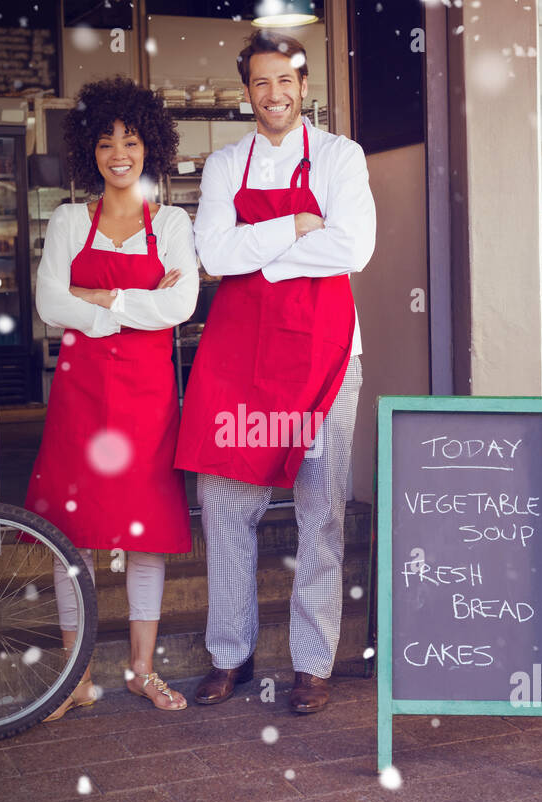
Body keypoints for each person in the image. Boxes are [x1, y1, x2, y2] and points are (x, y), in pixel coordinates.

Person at [175, 30, 375, 714]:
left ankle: (312, 666)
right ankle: (229, 654)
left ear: (303, 84)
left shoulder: (342, 157)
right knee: (226, 508)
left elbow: (355, 247)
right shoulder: (227, 164)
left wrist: (258, 255)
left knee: (321, 509)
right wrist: (295, 224)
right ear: (247, 92)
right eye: (260, 82)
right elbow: (212, 252)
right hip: (243, 360)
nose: (274, 93)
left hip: (325, 355)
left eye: (284, 80)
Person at [25, 76, 199, 718]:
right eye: (105, 142)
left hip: (148, 398)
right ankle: (75, 678)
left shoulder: (174, 221)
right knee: (75, 535)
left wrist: (101, 301)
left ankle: (140, 671)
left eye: (129, 139)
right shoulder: (71, 219)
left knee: (145, 534)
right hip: (82, 395)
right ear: (88, 152)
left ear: (149, 145)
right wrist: (133, 307)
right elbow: (49, 303)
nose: (118, 153)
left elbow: (181, 304)